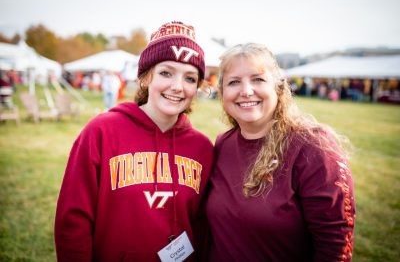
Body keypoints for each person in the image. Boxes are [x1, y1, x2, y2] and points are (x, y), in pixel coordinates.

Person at [55, 21, 213, 262]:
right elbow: (73, 218)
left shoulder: (202, 148)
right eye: (166, 73)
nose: (177, 87)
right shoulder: (101, 131)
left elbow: (203, 225)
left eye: (190, 78)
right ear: (145, 77)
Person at [206, 43, 355, 261]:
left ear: (278, 88)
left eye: (258, 79)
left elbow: (335, 247)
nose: (246, 91)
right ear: (223, 93)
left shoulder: (313, 147)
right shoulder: (222, 144)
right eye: (234, 82)